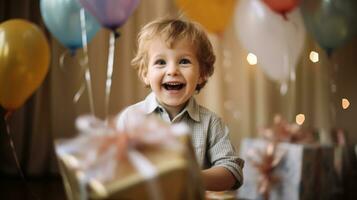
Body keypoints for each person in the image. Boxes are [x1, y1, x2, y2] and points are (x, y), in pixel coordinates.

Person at [116, 18, 244, 191]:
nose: (172, 71)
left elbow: (233, 171)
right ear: (145, 73)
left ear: (202, 73)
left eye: (184, 61)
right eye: (161, 62)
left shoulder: (211, 123)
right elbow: (113, 171)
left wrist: (192, 178)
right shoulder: (131, 118)